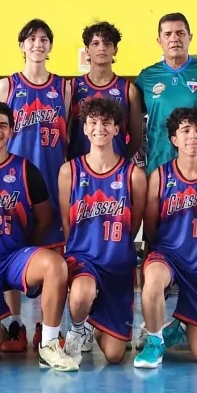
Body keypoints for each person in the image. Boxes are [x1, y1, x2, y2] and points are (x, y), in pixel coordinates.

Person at [0, 102, 77, 371]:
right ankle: (3, 327)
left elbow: (44, 217)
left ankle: (50, 344)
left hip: (14, 258)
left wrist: (25, 244)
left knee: (56, 264)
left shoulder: (26, 170)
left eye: (3, 126)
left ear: (12, 132)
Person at [134, 12, 197, 352]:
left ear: (190, 36)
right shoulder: (146, 78)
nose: (174, 38)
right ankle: (153, 327)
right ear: (158, 40)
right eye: (167, 33)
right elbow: (136, 129)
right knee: (156, 250)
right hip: (159, 175)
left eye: (180, 32)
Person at [134, 108, 197, 369]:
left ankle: (181, 324)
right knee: (154, 278)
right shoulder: (159, 176)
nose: (193, 136)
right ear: (174, 139)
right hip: (168, 255)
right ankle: (155, 341)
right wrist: (168, 250)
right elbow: (152, 226)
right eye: (186, 131)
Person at [0, 18, 71, 351]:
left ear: (50, 46)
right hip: (15, 182)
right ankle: (15, 324)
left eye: (43, 39)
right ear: (22, 45)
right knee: (12, 250)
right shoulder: (7, 86)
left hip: (53, 180)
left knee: (52, 255)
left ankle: (45, 326)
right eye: (31, 39)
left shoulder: (63, 87)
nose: (37, 44)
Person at [60, 98, 147, 365]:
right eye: (93, 123)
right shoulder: (69, 171)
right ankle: (77, 329)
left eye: (107, 123)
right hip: (84, 260)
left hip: (118, 265)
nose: (100, 128)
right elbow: (67, 224)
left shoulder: (133, 174)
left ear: (117, 129)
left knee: (114, 356)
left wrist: (115, 246)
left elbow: (134, 222)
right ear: (84, 129)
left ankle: (95, 322)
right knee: (82, 293)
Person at [68, 21, 143, 162]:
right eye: (95, 44)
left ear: (115, 49)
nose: (102, 48)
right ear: (87, 50)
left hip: (116, 171)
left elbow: (136, 139)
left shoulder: (129, 90)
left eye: (107, 43)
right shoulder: (71, 87)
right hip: (78, 168)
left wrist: (119, 160)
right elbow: (64, 132)